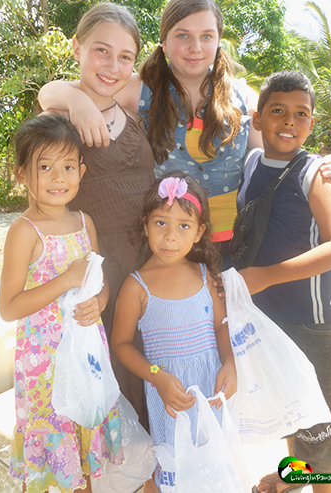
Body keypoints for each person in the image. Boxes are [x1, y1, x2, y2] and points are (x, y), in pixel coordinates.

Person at [38, 0, 331, 270]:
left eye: (207, 36)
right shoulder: (141, 90)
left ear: (218, 40)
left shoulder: (241, 96)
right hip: (165, 247)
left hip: (232, 248)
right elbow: (50, 92)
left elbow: (282, 146)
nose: (195, 47)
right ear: (164, 40)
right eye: (183, 35)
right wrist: (76, 100)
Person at [234, 71, 331, 493]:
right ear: (257, 119)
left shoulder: (315, 174)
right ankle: (295, 476)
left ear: (311, 123)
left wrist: (265, 276)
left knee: (323, 429)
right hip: (271, 320)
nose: (289, 122)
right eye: (277, 112)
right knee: (291, 408)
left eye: (300, 114)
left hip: (313, 323)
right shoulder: (252, 162)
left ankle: (325, 482)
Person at [42, 2, 155, 430]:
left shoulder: (131, 109)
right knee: (106, 406)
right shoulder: (56, 119)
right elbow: (45, 209)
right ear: (77, 48)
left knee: (150, 394)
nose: (112, 65)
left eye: (125, 56)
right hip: (96, 281)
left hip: (147, 275)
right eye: (100, 51)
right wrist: (72, 97)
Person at [0, 114, 123, 493]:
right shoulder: (24, 231)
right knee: (49, 437)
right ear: (23, 174)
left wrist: (100, 300)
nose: (58, 177)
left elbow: (97, 280)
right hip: (44, 367)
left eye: (68, 166)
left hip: (85, 353)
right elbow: (9, 307)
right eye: (45, 167)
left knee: (82, 437)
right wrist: (65, 280)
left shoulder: (86, 222)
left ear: (81, 171)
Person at [110, 173, 237, 492]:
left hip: (211, 394)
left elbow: (221, 327)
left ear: (199, 232)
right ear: (145, 225)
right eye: (160, 223)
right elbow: (121, 344)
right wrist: (156, 376)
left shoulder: (206, 275)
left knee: (212, 470)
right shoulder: (135, 286)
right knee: (171, 471)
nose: (170, 237)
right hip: (170, 396)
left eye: (184, 225)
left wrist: (230, 362)